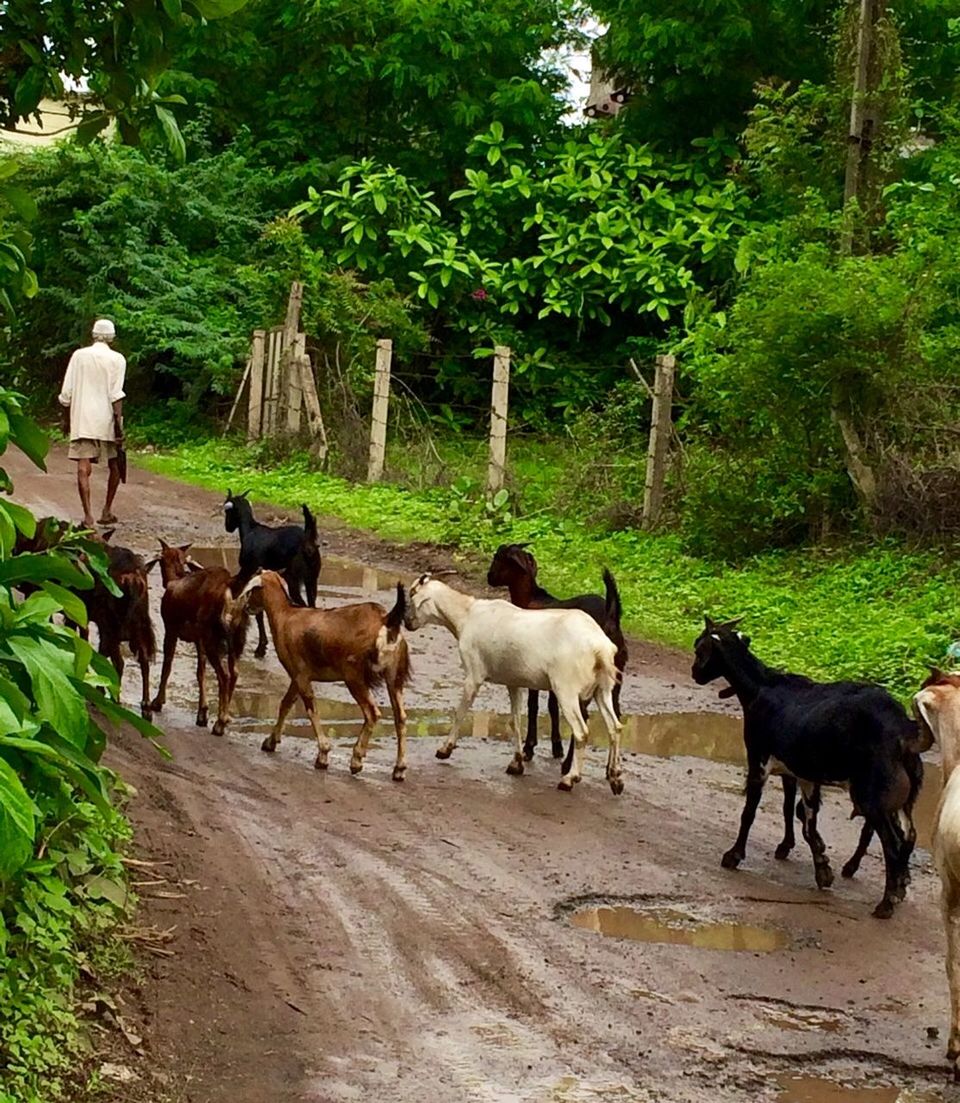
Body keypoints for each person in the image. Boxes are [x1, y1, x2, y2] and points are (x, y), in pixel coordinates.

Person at [58, 318, 126, 528]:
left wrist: (66, 418)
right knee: (115, 465)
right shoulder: (118, 359)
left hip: (82, 419)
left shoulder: (79, 356)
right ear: (112, 337)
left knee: (83, 467)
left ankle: (88, 515)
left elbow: (66, 394)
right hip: (106, 420)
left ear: (93, 334)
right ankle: (106, 510)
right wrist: (118, 425)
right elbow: (116, 395)